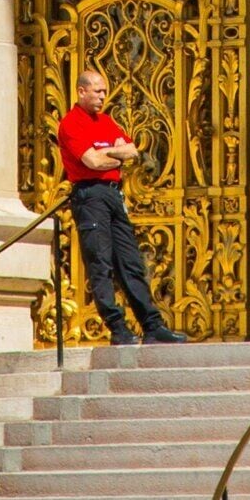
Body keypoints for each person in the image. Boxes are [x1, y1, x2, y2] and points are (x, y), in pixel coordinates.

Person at [54, 64, 184, 344]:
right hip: (90, 196)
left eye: (104, 92)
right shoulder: (71, 123)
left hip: (113, 194)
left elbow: (131, 151)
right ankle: (118, 328)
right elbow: (92, 161)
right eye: (97, 91)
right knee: (101, 263)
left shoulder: (105, 121)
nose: (102, 97)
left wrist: (107, 152)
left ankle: (152, 326)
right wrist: (112, 154)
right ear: (81, 91)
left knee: (130, 262)